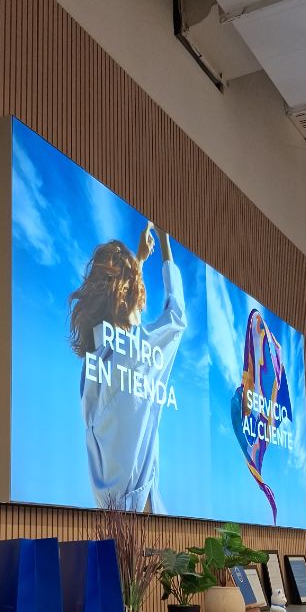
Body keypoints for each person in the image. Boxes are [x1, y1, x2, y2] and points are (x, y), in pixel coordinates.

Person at [68, 220, 186, 513]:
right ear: (128, 297)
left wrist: (138, 262)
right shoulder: (134, 352)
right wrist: (165, 242)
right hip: (140, 520)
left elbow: (121, 323)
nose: (142, 308)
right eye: (139, 299)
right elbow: (176, 317)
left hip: (110, 519)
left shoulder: (92, 368)